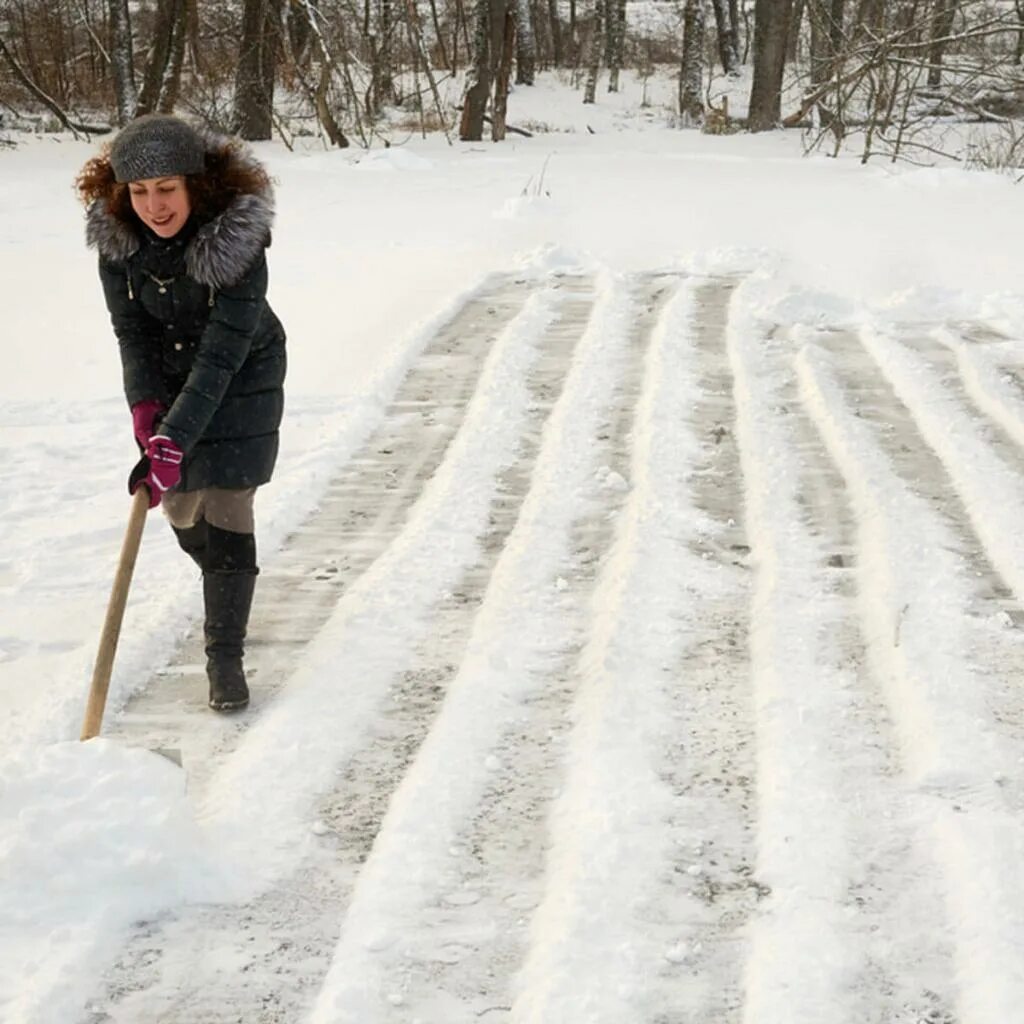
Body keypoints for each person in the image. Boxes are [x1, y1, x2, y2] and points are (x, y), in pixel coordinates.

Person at [75, 114, 286, 712]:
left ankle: (225, 656)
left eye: (167, 187)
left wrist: (176, 437)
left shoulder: (237, 243)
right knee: (183, 509)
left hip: (244, 372)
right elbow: (131, 334)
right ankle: (223, 575)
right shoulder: (118, 243)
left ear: (197, 184)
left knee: (227, 503)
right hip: (170, 378)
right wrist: (147, 416)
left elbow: (222, 353)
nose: (154, 205)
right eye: (139, 191)